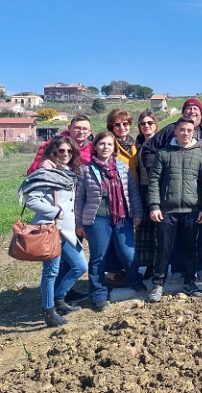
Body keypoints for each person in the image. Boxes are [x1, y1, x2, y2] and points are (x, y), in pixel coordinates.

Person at [20, 135, 87, 326]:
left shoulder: (68, 172)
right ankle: (49, 312)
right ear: (53, 152)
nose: (66, 154)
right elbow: (31, 200)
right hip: (50, 230)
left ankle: (59, 298)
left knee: (80, 266)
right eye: (61, 151)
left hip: (67, 231)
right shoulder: (45, 173)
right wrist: (55, 211)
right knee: (51, 272)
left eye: (69, 151)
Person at [76, 131, 144, 311]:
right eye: (101, 144)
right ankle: (98, 293)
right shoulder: (86, 170)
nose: (105, 147)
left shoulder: (122, 168)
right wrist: (79, 224)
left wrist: (137, 213)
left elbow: (133, 193)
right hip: (97, 219)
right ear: (95, 147)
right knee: (99, 256)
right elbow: (79, 199)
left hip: (122, 218)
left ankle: (134, 280)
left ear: (114, 148)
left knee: (128, 253)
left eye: (109, 144)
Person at [146, 118, 202, 302]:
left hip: (191, 211)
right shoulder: (164, 153)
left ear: (193, 132)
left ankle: (190, 282)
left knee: (191, 249)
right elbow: (154, 181)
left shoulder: (200, 154)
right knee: (163, 249)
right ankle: (158, 285)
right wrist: (155, 206)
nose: (185, 133)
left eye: (189, 130)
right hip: (167, 210)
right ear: (176, 131)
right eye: (182, 129)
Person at [134, 110, 159, 278]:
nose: (146, 126)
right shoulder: (138, 144)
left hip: (156, 191)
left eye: (150, 123)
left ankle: (157, 266)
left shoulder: (161, 143)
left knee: (158, 230)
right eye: (143, 123)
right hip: (142, 189)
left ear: (156, 125)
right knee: (145, 232)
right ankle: (148, 264)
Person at [27, 115, 93, 175]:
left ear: (90, 132)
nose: (81, 132)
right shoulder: (50, 145)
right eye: (77, 128)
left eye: (85, 129)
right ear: (69, 128)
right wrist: (40, 165)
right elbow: (31, 172)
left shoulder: (95, 148)